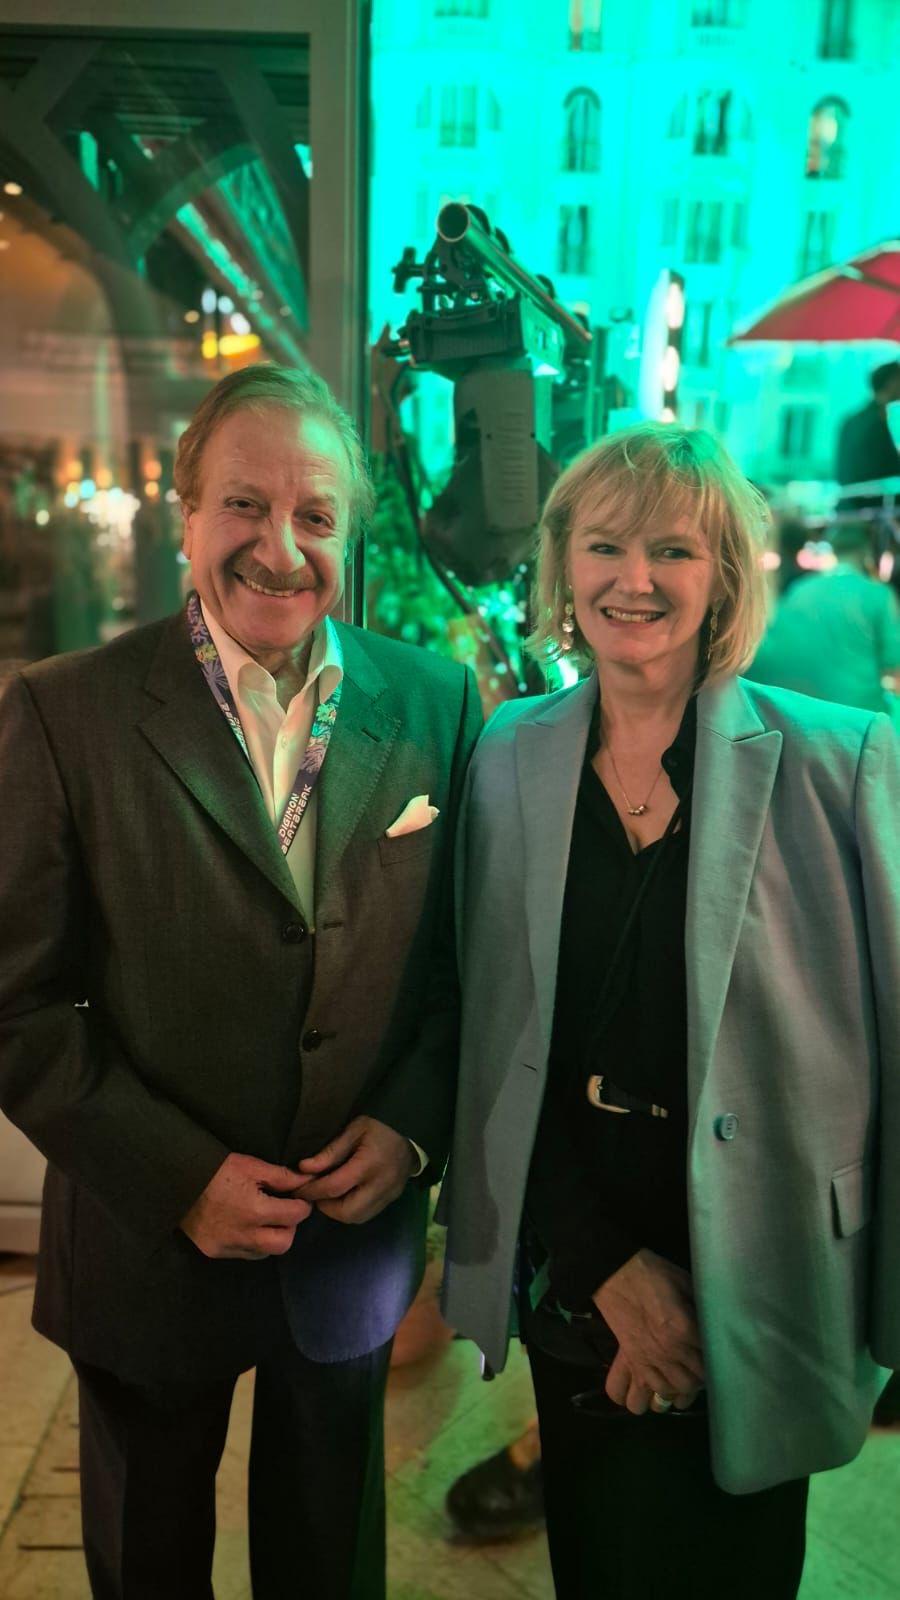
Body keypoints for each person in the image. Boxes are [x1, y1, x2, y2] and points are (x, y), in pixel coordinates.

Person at [0, 363, 481, 1600]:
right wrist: (178, 1177)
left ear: (350, 532)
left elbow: (462, 965)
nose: (280, 547)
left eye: (315, 514)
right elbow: (17, 1006)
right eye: (244, 505)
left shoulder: (436, 703)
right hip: (145, 1245)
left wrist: (412, 1127)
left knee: (329, 1560)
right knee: (147, 1559)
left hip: (347, 1238)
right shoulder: (64, 712)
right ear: (186, 514)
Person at [440, 423, 899, 1599]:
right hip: (577, 1257)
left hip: (770, 1263)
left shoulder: (842, 760)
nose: (632, 578)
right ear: (563, 564)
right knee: (596, 1561)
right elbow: (494, 1033)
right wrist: (602, 1266)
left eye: (672, 549)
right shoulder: (508, 754)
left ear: (725, 575)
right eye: (604, 545)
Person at [746, 519, 900, 716]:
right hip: (861, 716)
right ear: (868, 555)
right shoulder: (878, 594)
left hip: (806, 712)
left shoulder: (800, 589)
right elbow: (894, 665)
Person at [835, 360, 900, 490]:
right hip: (870, 499)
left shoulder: (852, 420)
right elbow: (884, 468)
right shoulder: (874, 424)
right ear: (891, 382)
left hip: (850, 497)